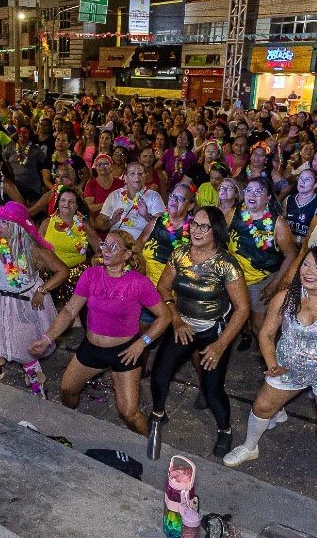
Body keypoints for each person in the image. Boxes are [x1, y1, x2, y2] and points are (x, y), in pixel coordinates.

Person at [222, 241, 317, 511]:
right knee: (262, 406)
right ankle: (250, 447)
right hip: (290, 366)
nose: (309, 271)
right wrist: (272, 364)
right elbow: (267, 333)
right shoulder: (286, 297)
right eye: (306, 263)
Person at [30, 231, 170, 433]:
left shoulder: (139, 283)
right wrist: (47, 338)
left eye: (113, 247)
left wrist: (142, 343)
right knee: (67, 390)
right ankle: (70, 421)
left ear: (127, 255)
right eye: (104, 244)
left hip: (125, 353)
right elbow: (70, 310)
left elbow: (164, 316)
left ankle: (151, 445)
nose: (105, 249)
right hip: (92, 349)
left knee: (129, 413)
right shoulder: (91, 275)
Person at [148, 206, 252, 457]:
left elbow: (242, 309)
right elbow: (163, 290)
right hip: (182, 324)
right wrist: (176, 320)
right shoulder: (180, 253)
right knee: (159, 374)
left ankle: (225, 431)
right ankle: (158, 414)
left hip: (213, 330)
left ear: (215, 231)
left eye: (204, 226)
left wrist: (220, 345)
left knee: (213, 389)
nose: (196, 230)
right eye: (194, 223)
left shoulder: (227, 264)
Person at [0, 201, 69, 396]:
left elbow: (62, 271)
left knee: (25, 346)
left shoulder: (34, 251)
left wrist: (43, 289)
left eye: (3, 223)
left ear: (16, 227)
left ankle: (37, 385)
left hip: (25, 303)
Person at [230, 176, 296, 348]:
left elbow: (290, 255)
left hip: (261, 280)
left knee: (260, 324)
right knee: (237, 313)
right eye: (249, 190)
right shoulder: (233, 214)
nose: (252, 194)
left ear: (268, 198)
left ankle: (269, 356)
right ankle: (245, 335)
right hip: (234, 277)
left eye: (259, 191)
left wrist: (275, 283)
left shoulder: (278, 224)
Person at [39, 187, 100, 304]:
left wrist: (96, 257)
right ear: (58, 203)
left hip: (76, 277)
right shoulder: (46, 223)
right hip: (51, 276)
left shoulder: (83, 225)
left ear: (76, 206)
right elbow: (38, 248)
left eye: (71, 201)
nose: (66, 204)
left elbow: (98, 247)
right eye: (63, 200)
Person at [142, 183, 193, 288]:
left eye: (180, 198)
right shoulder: (155, 222)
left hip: (174, 288)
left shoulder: (194, 229)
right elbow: (136, 248)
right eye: (173, 196)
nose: (174, 200)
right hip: (146, 285)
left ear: (190, 206)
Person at [99, 162, 165, 241]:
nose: (137, 177)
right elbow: (99, 224)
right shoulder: (115, 195)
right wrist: (111, 221)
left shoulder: (154, 196)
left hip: (140, 242)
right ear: (125, 178)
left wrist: (146, 215)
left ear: (145, 177)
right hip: (116, 241)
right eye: (132, 174)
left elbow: (162, 227)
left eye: (140, 173)